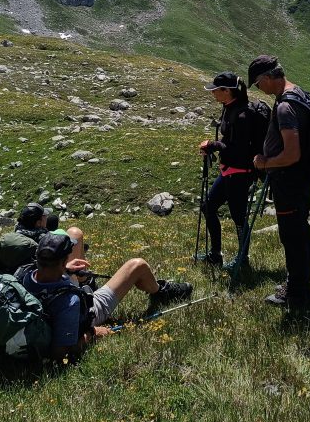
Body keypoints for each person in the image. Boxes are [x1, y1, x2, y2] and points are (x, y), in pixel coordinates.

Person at [21, 232, 193, 362]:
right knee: (137, 265)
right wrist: (94, 333)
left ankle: (157, 288)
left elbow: (48, 275)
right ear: (60, 262)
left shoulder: (25, 276)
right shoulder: (69, 303)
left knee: (74, 233)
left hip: (53, 297)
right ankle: (161, 291)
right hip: (91, 309)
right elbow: (61, 353)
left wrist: (65, 270)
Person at [248, 55, 310, 309]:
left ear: (267, 78)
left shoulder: (286, 106)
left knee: (292, 236)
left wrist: (265, 162)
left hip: (289, 181)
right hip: (298, 179)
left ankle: (297, 294)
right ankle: (297, 283)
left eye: (257, 84)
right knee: (298, 232)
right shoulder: (297, 92)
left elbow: (291, 154)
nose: (258, 89)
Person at [195, 72, 267, 270]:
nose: (213, 93)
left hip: (240, 172)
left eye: (215, 90)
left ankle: (243, 260)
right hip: (229, 170)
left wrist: (212, 144)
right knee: (208, 207)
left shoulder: (242, 115)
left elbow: (238, 150)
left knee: (238, 217)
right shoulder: (229, 108)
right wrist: (214, 146)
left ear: (227, 91)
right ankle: (215, 255)